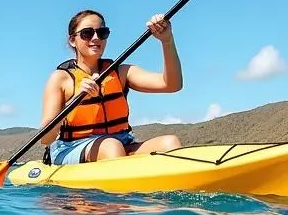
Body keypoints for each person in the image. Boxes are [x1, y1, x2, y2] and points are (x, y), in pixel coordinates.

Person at [40, 9, 183, 165]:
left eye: (102, 32)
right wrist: (75, 100)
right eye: (87, 33)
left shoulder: (121, 72)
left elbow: (172, 85)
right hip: (73, 147)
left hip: (121, 142)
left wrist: (166, 41)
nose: (96, 38)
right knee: (111, 146)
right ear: (72, 40)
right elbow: (46, 138)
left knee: (171, 143)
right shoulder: (61, 78)